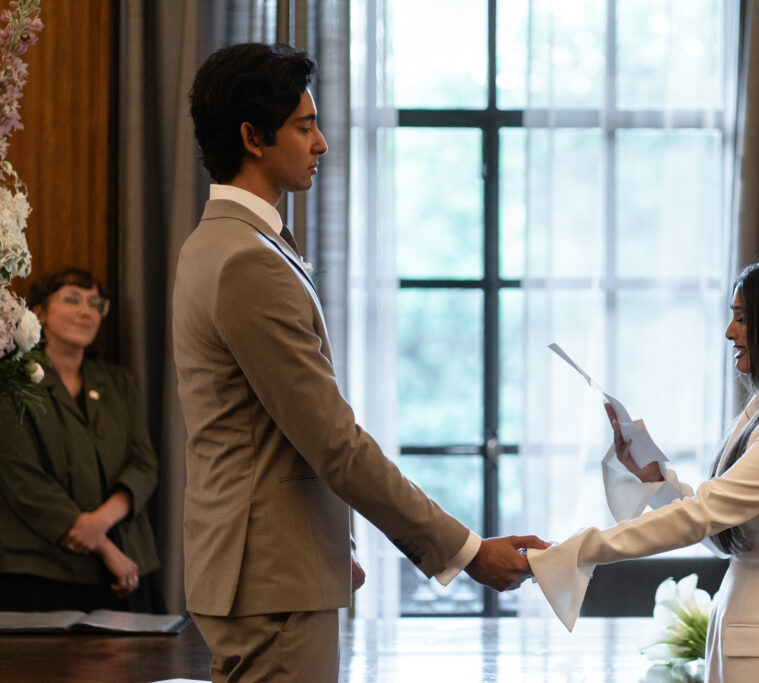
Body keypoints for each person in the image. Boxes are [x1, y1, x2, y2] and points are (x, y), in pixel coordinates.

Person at [175, 42, 546, 682]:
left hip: (272, 570)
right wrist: (466, 551)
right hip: (271, 584)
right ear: (251, 138)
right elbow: (333, 442)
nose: (320, 144)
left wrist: (326, 546)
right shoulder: (247, 261)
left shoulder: (218, 244)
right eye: (304, 125)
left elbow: (264, 435)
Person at [526, 254, 759, 683]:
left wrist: (574, 551)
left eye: (742, 318)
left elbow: (701, 516)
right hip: (758, 628)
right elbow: (725, 529)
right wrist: (656, 479)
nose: (729, 332)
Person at [0, 267, 162, 612]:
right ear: (39, 313)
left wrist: (99, 523)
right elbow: (22, 480)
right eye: (72, 299)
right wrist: (102, 545)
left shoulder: (118, 382)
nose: (86, 311)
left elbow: (145, 464)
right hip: (43, 570)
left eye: (95, 303)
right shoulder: (13, 382)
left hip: (127, 567)